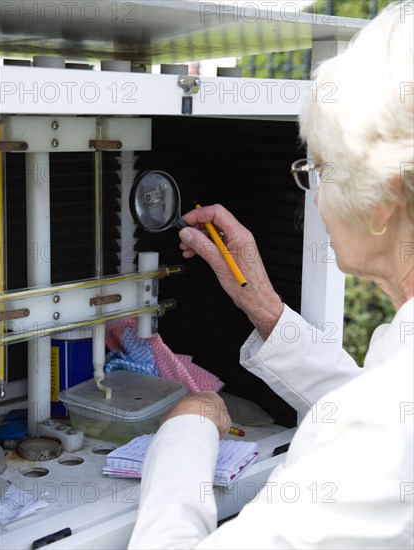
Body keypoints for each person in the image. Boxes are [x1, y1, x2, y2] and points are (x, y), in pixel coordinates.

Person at [128, 2, 413, 548]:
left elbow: (375, 430)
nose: (315, 194)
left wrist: (187, 428)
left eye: (321, 170)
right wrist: (264, 306)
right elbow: (369, 398)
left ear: (384, 199)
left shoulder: (381, 443)